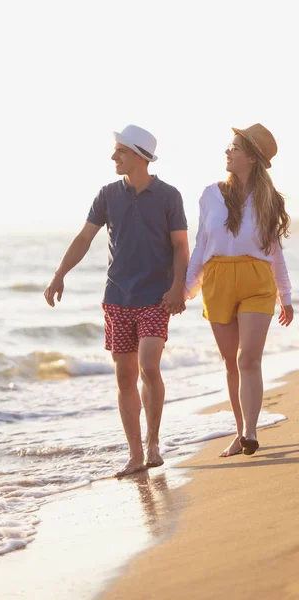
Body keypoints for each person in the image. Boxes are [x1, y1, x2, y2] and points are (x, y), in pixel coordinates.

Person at [44, 124, 189, 477]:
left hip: (156, 296)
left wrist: (178, 288)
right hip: (116, 298)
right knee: (124, 378)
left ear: (139, 157)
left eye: (120, 151)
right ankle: (136, 454)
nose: (113, 157)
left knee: (149, 365)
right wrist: (59, 274)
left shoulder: (169, 196)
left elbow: (181, 246)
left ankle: (154, 443)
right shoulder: (108, 195)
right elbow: (84, 238)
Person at [173, 123, 293, 457]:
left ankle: (250, 432)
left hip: (257, 281)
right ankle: (240, 431)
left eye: (235, 147)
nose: (228, 151)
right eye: (230, 146)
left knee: (248, 358)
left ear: (252, 158)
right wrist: (185, 290)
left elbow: (275, 252)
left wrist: (286, 295)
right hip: (218, 280)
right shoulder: (210, 194)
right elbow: (201, 246)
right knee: (230, 363)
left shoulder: (268, 200)